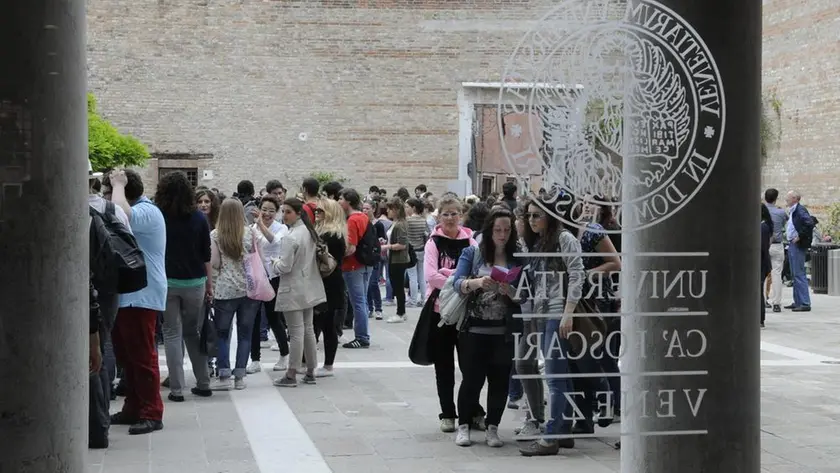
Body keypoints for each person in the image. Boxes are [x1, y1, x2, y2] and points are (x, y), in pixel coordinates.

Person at [102, 169, 167, 435]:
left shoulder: (146, 212)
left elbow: (121, 213)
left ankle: (152, 412)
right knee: (128, 357)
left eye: (110, 192)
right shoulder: (138, 209)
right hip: (130, 294)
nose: (106, 197)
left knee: (142, 356)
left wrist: (117, 184)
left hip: (142, 294)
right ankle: (134, 407)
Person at [451, 208, 522, 448]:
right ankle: (463, 426)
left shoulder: (517, 257)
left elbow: (525, 295)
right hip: (474, 329)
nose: (502, 235)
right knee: (471, 380)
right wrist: (478, 282)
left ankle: (493, 427)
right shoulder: (473, 253)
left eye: (507, 230)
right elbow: (456, 284)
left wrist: (509, 291)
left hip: (503, 330)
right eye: (498, 230)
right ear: (490, 230)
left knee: (500, 381)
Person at [156, 172, 214, 402]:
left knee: (171, 333)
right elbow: (206, 254)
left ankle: (177, 389)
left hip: (168, 282)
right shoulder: (199, 218)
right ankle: (203, 382)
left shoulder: (159, 216)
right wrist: (209, 284)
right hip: (195, 282)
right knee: (193, 332)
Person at [272, 198, 327, 387]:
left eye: (288, 212)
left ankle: (291, 373)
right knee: (308, 329)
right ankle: (311, 369)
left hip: (293, 287)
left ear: (297, 213)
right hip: (308, 285)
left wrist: (274, 263)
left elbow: (285, 267)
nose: (284, 215)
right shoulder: (308, 231)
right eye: (283, 211)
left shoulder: (291, 236)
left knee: (296, 332)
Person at [210, 199, 263, 390]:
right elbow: (259, 259)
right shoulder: (251, 233)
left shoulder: (216, 235)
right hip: (248, 289)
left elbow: (215, 263)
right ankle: (240, 376)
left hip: (225, 290)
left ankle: (224, 375)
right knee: (245, 334)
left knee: (222, 333)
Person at [247, 195, 290, 374]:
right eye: (264, 209)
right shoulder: (250, 228)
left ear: (277, 212)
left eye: (271, 211)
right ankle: (255, 359)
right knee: (254, 319)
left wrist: (260, 224)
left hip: (273, 277)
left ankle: (284, 354)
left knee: (274, 318)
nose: (267, 214)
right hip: (256, 277)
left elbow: (274, 241)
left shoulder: (282, 228)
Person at [314, 198, 348, 377]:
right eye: (316, 211)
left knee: (326, 325)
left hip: (329, 283)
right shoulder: (326, 232)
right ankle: (315, 362)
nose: (317, 213)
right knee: (319, 324)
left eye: (321, 211)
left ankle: (328, 365)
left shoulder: (333, 235)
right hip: (326, 282)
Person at [339, 188, 374, 349]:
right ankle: (363, 335)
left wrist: (336, 257)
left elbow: (351, 247)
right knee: (362, 300)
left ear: (348, 201)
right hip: (366, 263)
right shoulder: (363, 217)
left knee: (358, 301)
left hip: (353, 265)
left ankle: (361, 337)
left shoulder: (352, 220)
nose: (339, 201)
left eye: (341, 199)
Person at [784, 191, 815, 312]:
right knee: (794, 274)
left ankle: (804, 303)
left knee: (799, 273)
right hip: (792, 244)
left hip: (797, 245)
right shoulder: (793, 210)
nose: (786, 199)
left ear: (794, 199)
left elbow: (809, 223)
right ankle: (797, 301)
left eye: (788, 197)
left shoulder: (800, 210)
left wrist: (800, 236)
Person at [382, 198, 411, 323]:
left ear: (396, 210)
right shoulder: (396, 222)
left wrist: (387, 246)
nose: (388, 211)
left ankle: (400, 312)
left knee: (398, 286)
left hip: (398, 260)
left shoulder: (400, 224)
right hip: (394, 259)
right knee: (397, 285)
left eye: (390, 209)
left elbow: (403, 244)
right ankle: (401, 312)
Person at [764, 188, 787, 313]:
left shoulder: (761, 211)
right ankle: (776, 303)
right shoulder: (781, 213)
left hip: (763, 244)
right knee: (777, 274)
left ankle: (763, 300)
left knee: (763, 273)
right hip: (777, 244)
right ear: (776, 198)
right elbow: (784, 224)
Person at [761, 204, 773, 328]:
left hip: (761, 263)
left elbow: (762, 248)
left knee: (758, 291)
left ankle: (760, 318)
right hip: (763, 263)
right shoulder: (765, 226)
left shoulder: (762, 227)